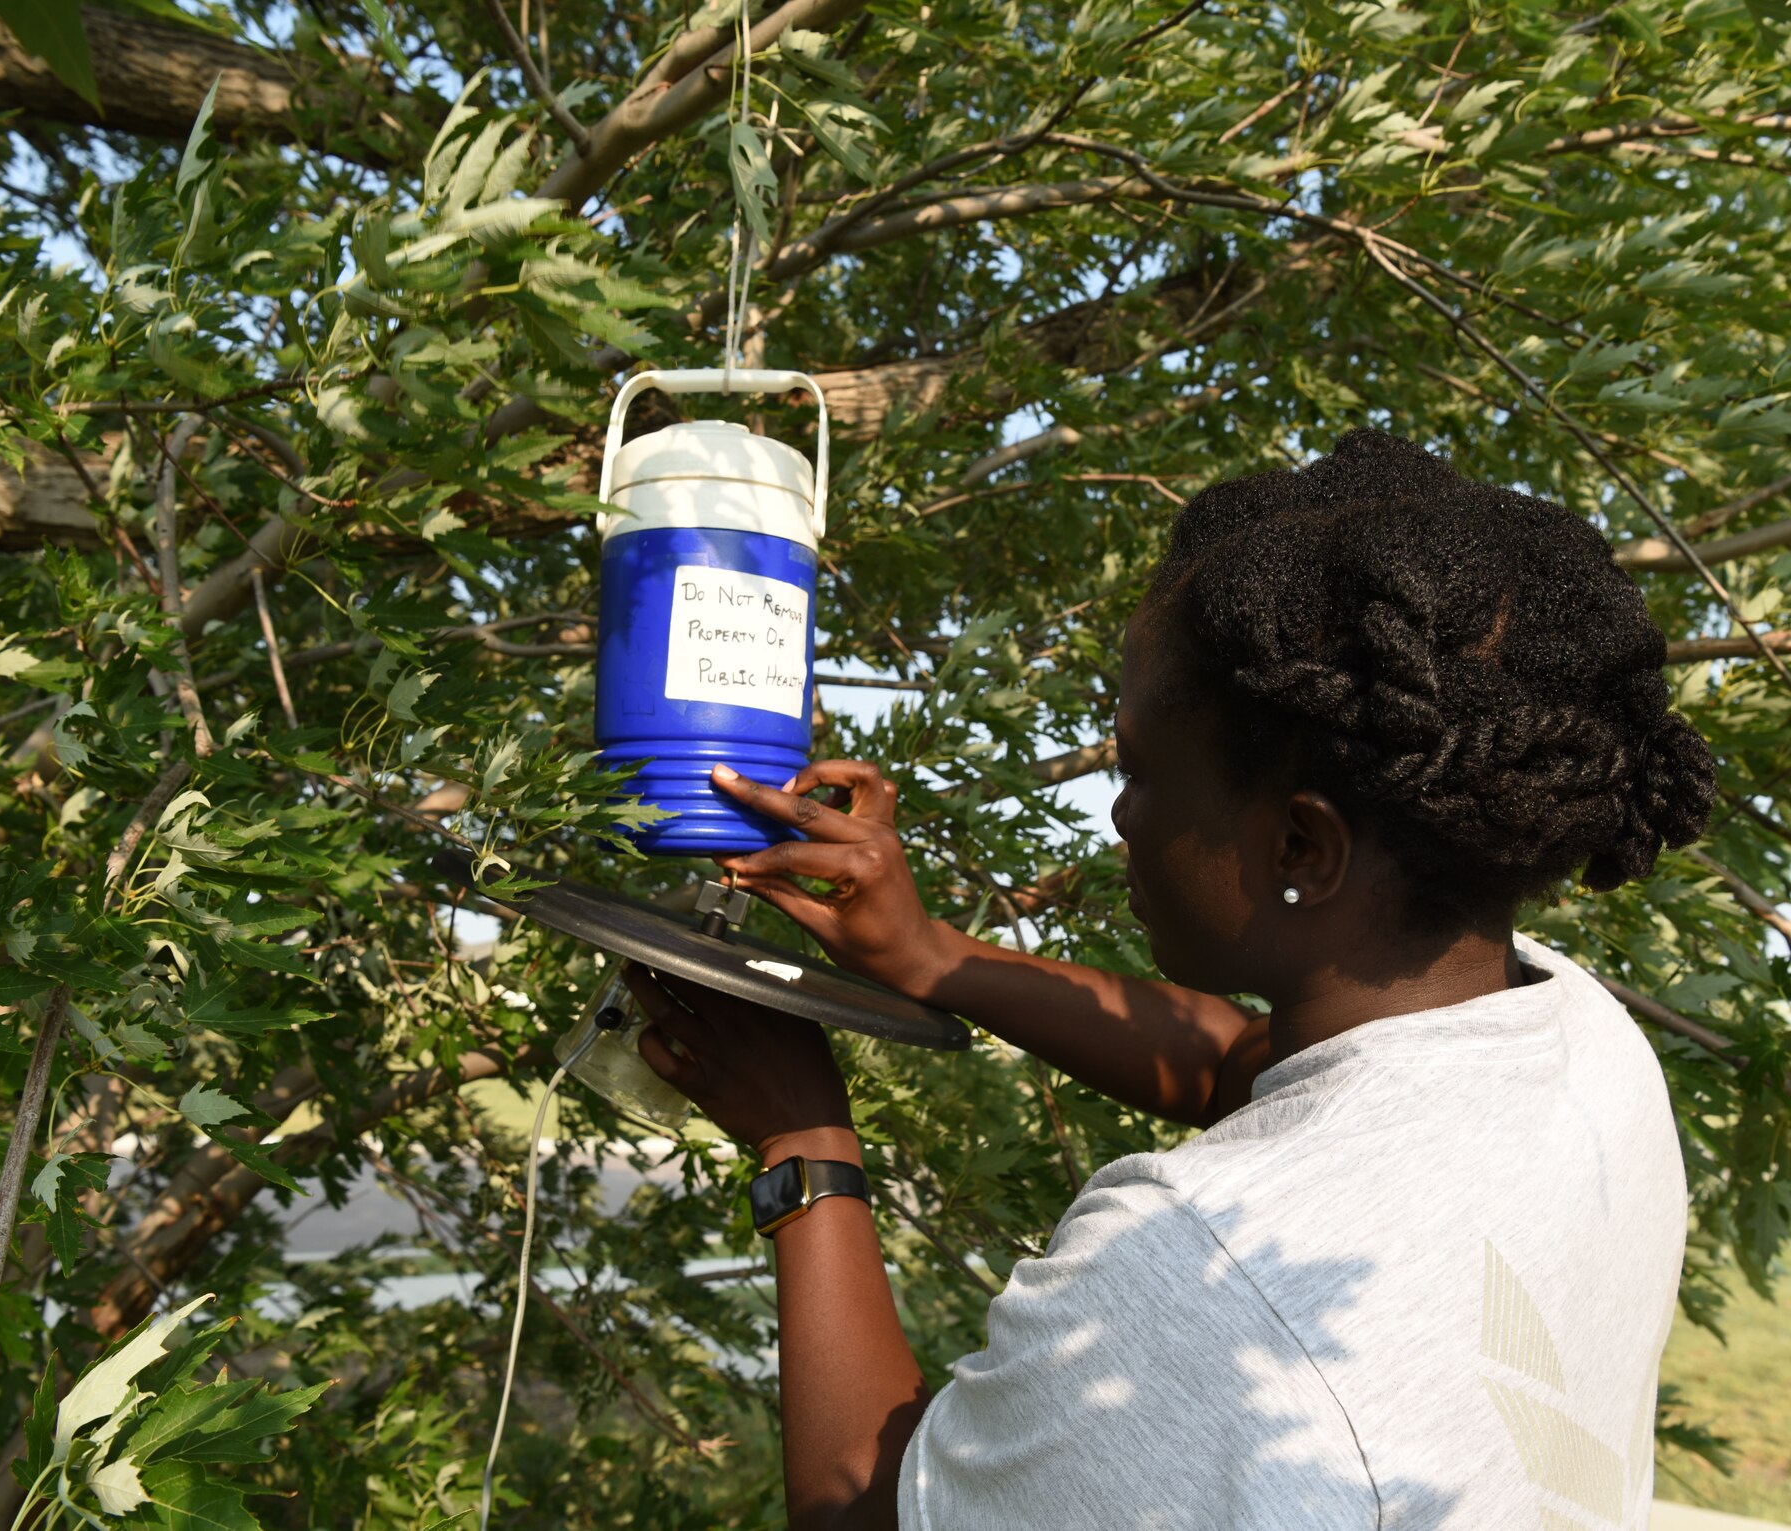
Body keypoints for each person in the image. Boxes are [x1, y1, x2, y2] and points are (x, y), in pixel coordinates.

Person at [622, 428, 1719, 1531]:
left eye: (1138, 771)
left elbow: (861, 1509)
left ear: (1301, 846)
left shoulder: (1206, 1270)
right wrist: (934, 957)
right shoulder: (1569, 1034)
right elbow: (1255, 1066)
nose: (1119, 816)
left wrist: (803, 1144)